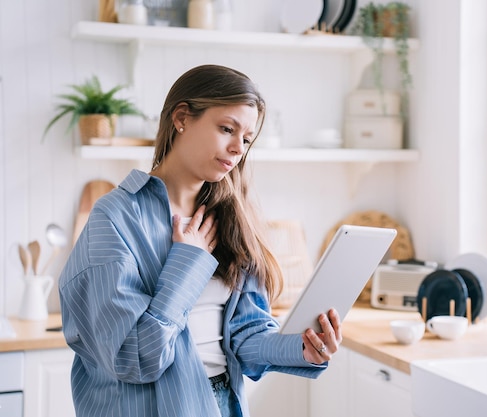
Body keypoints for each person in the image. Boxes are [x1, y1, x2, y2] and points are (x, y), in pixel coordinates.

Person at [58, 64, 342, 417]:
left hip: (221, 403)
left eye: (247, 139)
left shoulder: (232, 218)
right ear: (182, 118)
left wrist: (302, 349)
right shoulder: (114, 217)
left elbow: (244, 336)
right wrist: (186, 265)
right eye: (227, 129)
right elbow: (133, 357)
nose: (238, 148)